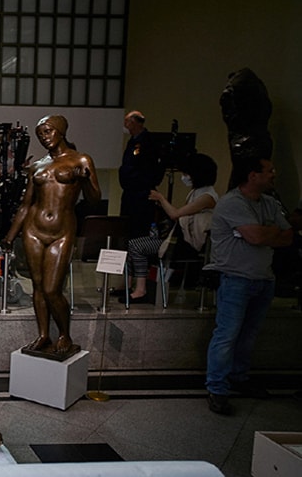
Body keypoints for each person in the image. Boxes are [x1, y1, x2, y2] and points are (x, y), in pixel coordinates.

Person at [3, 115, 101, 360]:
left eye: (47, 132)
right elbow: (26, 205)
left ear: (61, 131)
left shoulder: (81, 159)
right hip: (34, 230)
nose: (44, 138)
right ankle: (44, 334)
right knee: (37, 286)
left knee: (52, 289)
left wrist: (85, 179)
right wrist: (9, 235)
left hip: (61, 231)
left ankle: (64, 334)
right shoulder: (38, 166)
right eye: (40, 134)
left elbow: (94, 199)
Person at [204, 156, 292, 415]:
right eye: (269, 170)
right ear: (252, 175)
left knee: (249, 334)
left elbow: (287, 237)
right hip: (235, 278)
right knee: (227, 334)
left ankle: (239, 377)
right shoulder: (232, 203)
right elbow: (256, 237)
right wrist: (267, 232)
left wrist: (266, 233)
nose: (274, 173)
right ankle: (217, 387)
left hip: (263, 278)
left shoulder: (269, 203)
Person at [122, 153, 219, 303]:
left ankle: (140, 290)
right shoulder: (195, 192)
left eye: (187, 173)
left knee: (137, 246)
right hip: (179, 240)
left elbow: (175, 214)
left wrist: (161, 198)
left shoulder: (207, 197)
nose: (185, 177)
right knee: (131, 244)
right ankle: (128, 286)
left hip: (191, 245)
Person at [119, 110, 165, 239]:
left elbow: (151, 167)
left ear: (134, 122)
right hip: (129, 192)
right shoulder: (132, 142)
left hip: (141, 193)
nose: (125, 125)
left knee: (139, 229)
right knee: (127, 228)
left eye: (127, 121)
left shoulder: (148, 142)